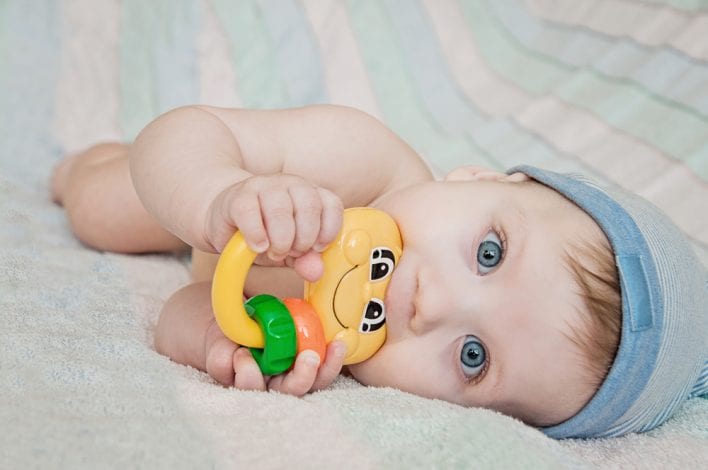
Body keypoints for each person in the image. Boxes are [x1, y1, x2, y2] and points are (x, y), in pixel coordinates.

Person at [51, 104, 706, 439]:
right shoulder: (359, 158)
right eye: (489, 254)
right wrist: (217, 195)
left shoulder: (334, 358)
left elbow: (183, 307)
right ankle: (88, 161)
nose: (430, 303)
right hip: (205, 178)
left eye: (473, 356)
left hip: (214, 257)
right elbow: (191, 129)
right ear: (480, 177)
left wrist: (222, 340)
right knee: (99, 211)